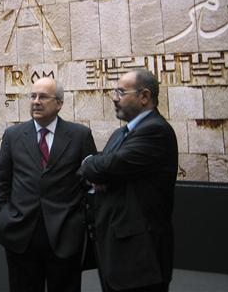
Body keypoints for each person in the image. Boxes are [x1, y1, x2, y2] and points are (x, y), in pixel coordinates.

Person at [0, 77, 97, 292]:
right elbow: (2, 181)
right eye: (33, 96)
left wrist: (80, 222)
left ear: (59, 103)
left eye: (43, 97)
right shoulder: (13, 135)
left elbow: (90, 183)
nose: (36, 101)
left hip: (65, 236)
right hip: (21, 235)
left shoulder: (79, 135)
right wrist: (4, 216)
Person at [79, 69, 178, 292]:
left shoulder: (155, 131)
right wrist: (98, 170)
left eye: (121, 92)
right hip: (113, 252)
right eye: (115, 92)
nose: (115, 98)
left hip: (140, 259)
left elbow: (104, 167)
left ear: (144, 96)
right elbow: (97, 171)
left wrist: (90, 164)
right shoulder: (120, 134)